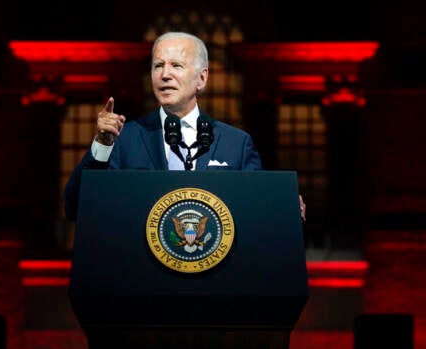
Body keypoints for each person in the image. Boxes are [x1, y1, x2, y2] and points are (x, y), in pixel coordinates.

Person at [62, 30, 306, 222]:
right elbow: (76, 207)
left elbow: (257, 209)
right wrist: (102, 145)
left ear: (201, 78)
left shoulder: (236, 144)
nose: (165, 74)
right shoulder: (126, 139)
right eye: (158, 66)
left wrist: (281, 205)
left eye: (176, 66)